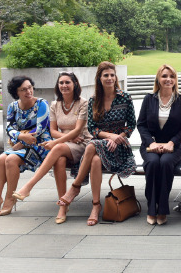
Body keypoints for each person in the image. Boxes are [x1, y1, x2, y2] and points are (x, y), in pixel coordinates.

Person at [57, 61, 137, 226]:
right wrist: (109, 137)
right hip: (102, 144)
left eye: (112, 75)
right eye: (105, 75)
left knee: (92, 145)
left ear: (116, 77)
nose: (109, 78)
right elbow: (93, 128)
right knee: (94, 159)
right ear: (99, 78)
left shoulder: (125, 98)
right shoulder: (94, 100)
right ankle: (95, 205)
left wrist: (117, 138)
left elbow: (131, 125)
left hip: (119, 148)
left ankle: (75, 186)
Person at [12, 72, 90, 224]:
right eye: (61, 83)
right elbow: (52, 130)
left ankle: (28, 186)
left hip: (83, 144)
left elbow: (78, 130)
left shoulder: (83, 103)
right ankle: (63, 206)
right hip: (65, 144)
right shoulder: (55, 105)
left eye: (67, 82)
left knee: (57, 149)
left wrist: (56, 141)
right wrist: (64, 138)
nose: (64, 86)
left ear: (74, 84)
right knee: (59, 159)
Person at [0, 76, 50, 218]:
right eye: (23, 89)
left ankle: (10, 198)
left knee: (11, 160)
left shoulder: (41, 104)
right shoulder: (13, 107)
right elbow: (9, 128)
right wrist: (21, 137)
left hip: (41, 144)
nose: (28, 91)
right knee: (1, 159)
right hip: (22, 143)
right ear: (16, 92)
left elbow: (40, 129)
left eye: (30, 87)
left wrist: (22, 141)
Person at [138, 64, 181, 226]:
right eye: (164, 76)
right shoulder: (149, 99)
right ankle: (151, 209)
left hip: (173, 146)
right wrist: (151, 143)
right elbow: (141, 125)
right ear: (158, 79)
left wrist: (171, 143)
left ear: (175, 80)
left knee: (166, 162)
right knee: (153, 163)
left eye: (172, 76)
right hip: (150, 145)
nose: (168, 79)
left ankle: (162, 209)